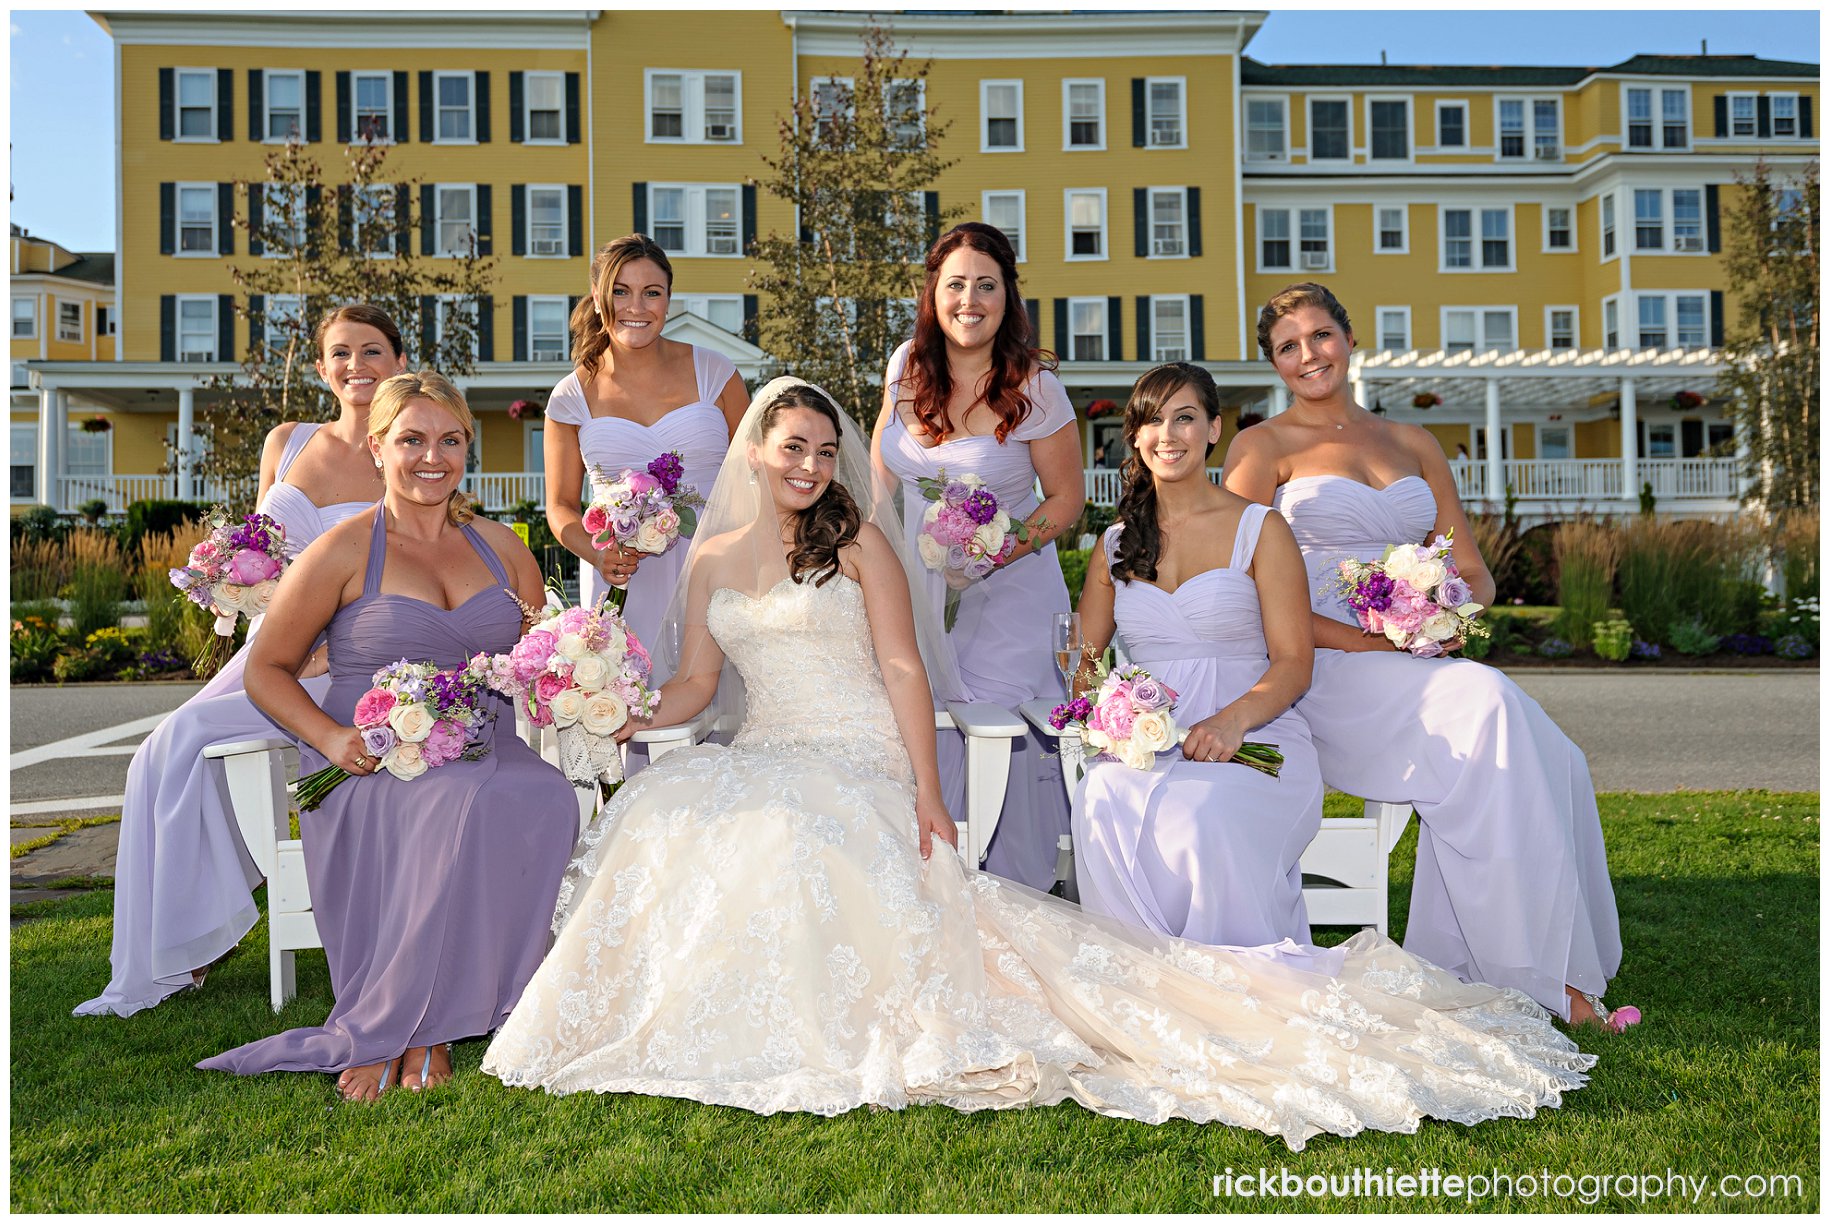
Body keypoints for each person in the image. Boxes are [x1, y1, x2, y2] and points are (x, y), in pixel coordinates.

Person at [480, 376, 1595, 1145]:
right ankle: (686, 1024)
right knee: (676, 813)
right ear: (757, 451)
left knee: (792, 834)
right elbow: (692, 690)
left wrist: (928, 793)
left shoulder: (859, 543)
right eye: (794, 448)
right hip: (765, 743)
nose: (813, 464)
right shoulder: (713, 560)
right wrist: (625, 711)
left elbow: (908, 675)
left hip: (860, 755)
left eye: (826, 450)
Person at [1223, 282, 1631, 1030]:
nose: (1308, 354)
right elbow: (1241, 586)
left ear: (1349, 339)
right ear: (1274, 363)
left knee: (1551, 751)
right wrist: (1377, 640)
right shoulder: (1261, 449)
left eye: (1320, 335)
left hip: (1412, 659)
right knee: (1491, 705)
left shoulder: (1412, 443)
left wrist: (1442, 622)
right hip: (1319, 667)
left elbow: (1473, 570)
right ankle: (1546, 986)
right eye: (1289, 346)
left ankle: (1489, 964)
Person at [198, 371, 578, 1100]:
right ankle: (413, 1026)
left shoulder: (505, 548)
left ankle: (444, 1012)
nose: (430, 457)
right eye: (411, 439)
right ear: (377, 446)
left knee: (547, 796)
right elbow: (267, 670)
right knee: (452, 803)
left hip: (486, 746)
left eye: (450, 440)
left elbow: (543, 658)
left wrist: (586, 673)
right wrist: (331, 739)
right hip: (367, 763)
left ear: (469, 448)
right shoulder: (342, 549)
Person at [75, 304, 405, 1018]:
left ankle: (191, 943)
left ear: (398, 363)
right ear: (321, 369)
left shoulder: (407, 450)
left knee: (191, 740)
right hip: (274, 651)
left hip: (348, 661)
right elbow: (259, 550)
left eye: (372, 351)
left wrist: (329, 647)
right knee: (154, 760)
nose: (357, 366)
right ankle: (169, 954)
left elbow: (402, 576)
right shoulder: (286, 443)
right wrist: (233, 578)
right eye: (341, 354)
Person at [1072, 363, 1324, 946]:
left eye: (1184, 418)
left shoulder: (1262, 528)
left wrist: (1231, 720)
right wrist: (1111, 720)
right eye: (1152, 421)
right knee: (1102, 793)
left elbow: (1294, 662)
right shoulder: (1114, 545)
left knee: (1205, 811)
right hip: (1153, 744)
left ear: (1214, 429)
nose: (1168, 435)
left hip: (1257, 738)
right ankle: (1142, 974)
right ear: (1135, 437)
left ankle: (1230, 980)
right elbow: (1083, 658)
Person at [872, 222, 1085, 889]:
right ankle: (920, 880)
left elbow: (1068, 498)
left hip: (1010, 596)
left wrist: (994, 553)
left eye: (986, 285)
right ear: (933, 292)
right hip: (914, 589)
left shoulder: (1034, 386)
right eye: (956, 283)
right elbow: (881, 480)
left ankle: (996, 889)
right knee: (916, 715)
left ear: (1008, 296)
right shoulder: (905, 365)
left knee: (987, 727)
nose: (970, 299)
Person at [543, 234, 747, 674]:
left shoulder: (716, 373)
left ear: (668, 301)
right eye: (621, 291)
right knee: (635, 700)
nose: (636, 307)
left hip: (719, 570)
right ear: (598, 300)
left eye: (651, 293)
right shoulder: (570, 397)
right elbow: (559, 506)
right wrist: (597, 555)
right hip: (623, 576)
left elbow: (757, 477)